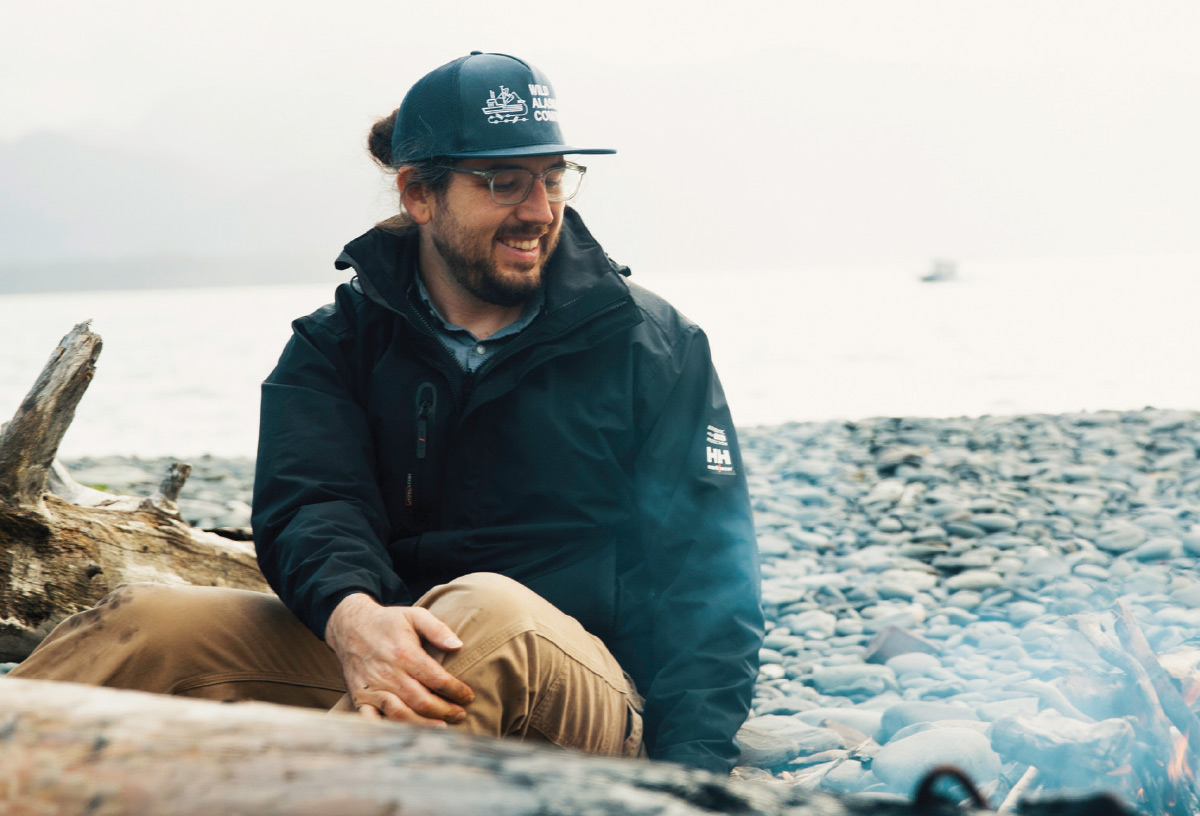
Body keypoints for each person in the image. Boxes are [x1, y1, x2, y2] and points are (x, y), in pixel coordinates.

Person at [10, 52, 763, 774]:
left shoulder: (650, 344)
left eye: (553, 177)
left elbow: (710, 587)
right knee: (153, 624)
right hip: (403, 653)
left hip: (589, 697)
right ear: (417, 194)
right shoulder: (338, 342)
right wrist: (354, 618)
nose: (540, 210)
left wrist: (685, 782)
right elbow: (313, 503)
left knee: (483, 609)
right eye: (504, 182)